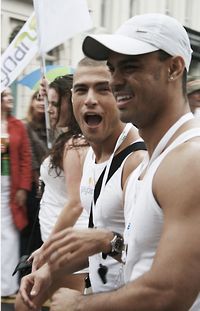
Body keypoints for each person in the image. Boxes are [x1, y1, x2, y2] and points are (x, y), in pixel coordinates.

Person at [20, 13, 200, 311]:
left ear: (174, 68)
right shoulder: (157, 159)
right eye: (113, 69)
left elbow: (169, 292)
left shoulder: (187, 160)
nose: (115, 81)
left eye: (130, 67)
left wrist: (79, 305)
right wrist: (102, 243)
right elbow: (147, 255)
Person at [17, 57, 146, 309]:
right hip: (97, 289)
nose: (89, 99)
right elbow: (96, 241)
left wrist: (83, 304)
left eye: (102, 88)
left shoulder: (137, 163)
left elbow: (151, 262)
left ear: (121, 95)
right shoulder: (92, 154)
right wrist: (49, 269)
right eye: (81, 89)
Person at [1, 87, 32, 297]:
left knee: (9, 233)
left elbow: (26, 158)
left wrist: (23, 187)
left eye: (11, 94)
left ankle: (7, 285)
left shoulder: (17, 125)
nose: (10, 98)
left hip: (9, 187)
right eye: (5, 95)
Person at [20, 91, 48, 259]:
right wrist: (38, 182)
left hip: (49, 186)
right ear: (31, 102)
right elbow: (30, 158)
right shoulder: (26, 126)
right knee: (32, 229)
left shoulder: (52, 128)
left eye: (45, 100)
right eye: (38, 99)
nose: (41, 103)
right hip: (34, 186)